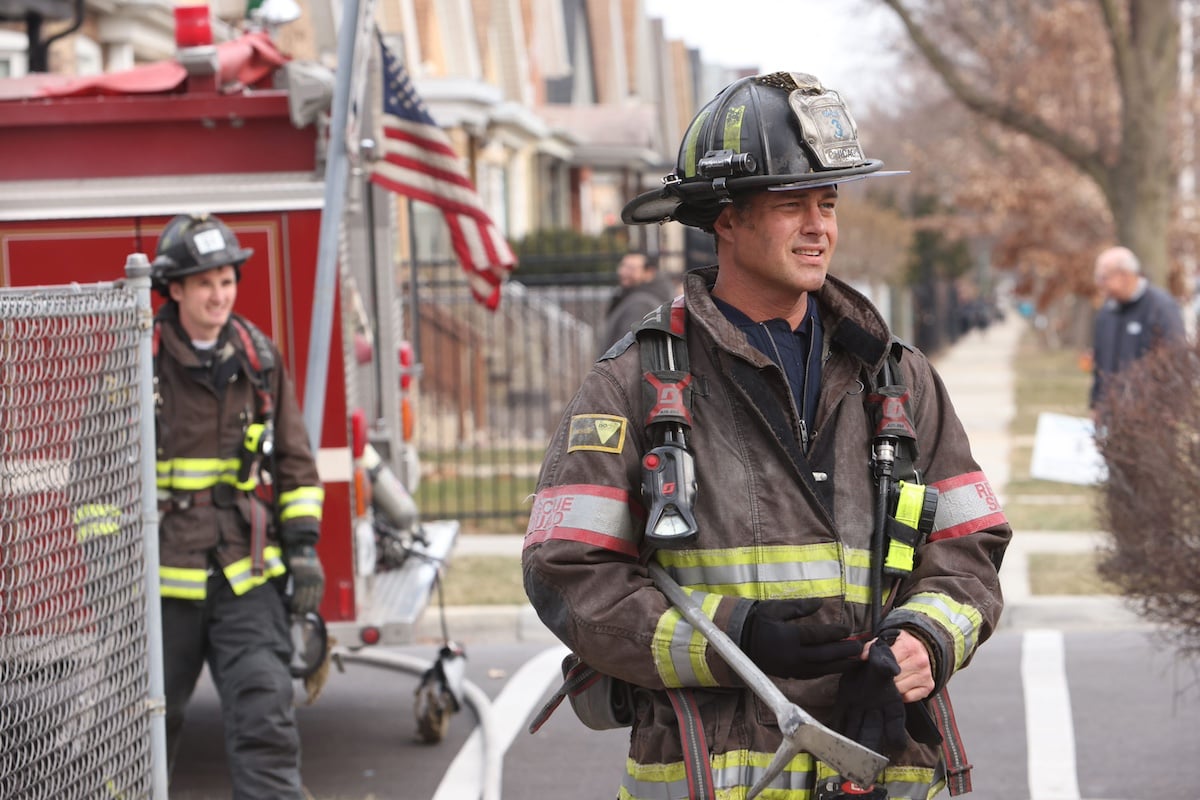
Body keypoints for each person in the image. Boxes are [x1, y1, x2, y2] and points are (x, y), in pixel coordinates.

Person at [523, 72, 1010, 799]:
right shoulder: (633, 385)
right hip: (715, 777)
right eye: (792, 205)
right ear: (725, 218)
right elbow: (568, 574)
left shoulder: (897, 379)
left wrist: (919, 644)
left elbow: (970, 551)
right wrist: (734, 636)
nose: (820, 227)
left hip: (881, 771)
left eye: (828, 202)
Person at [151, 213, 325, 799]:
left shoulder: (258, 357)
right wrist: (116, 578)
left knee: (265, 716)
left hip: (243, 569)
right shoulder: (138, 366)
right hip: (160, 584)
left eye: (226, 281)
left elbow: (296, 464)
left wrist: (302, 551)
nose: (219, 295)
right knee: (145, 725)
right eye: (205, 283)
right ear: (174, 289)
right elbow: (95, 489)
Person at [1090, 245, 1185, 413]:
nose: (1099, 284)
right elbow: (1100, 365)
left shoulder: (1161, 308)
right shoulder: (1107, 312)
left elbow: (1175, 361)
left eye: (1104, 278)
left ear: (1125, 276)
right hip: (1110, 413)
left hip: (1148, 416)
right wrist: (1096, 404)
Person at [599, 250, 676, 355]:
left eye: (630, 268)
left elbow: (624, 351)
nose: (622, 272)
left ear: (649, 273)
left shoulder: (641, 305)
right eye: (622, 266)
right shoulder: (635, 297)